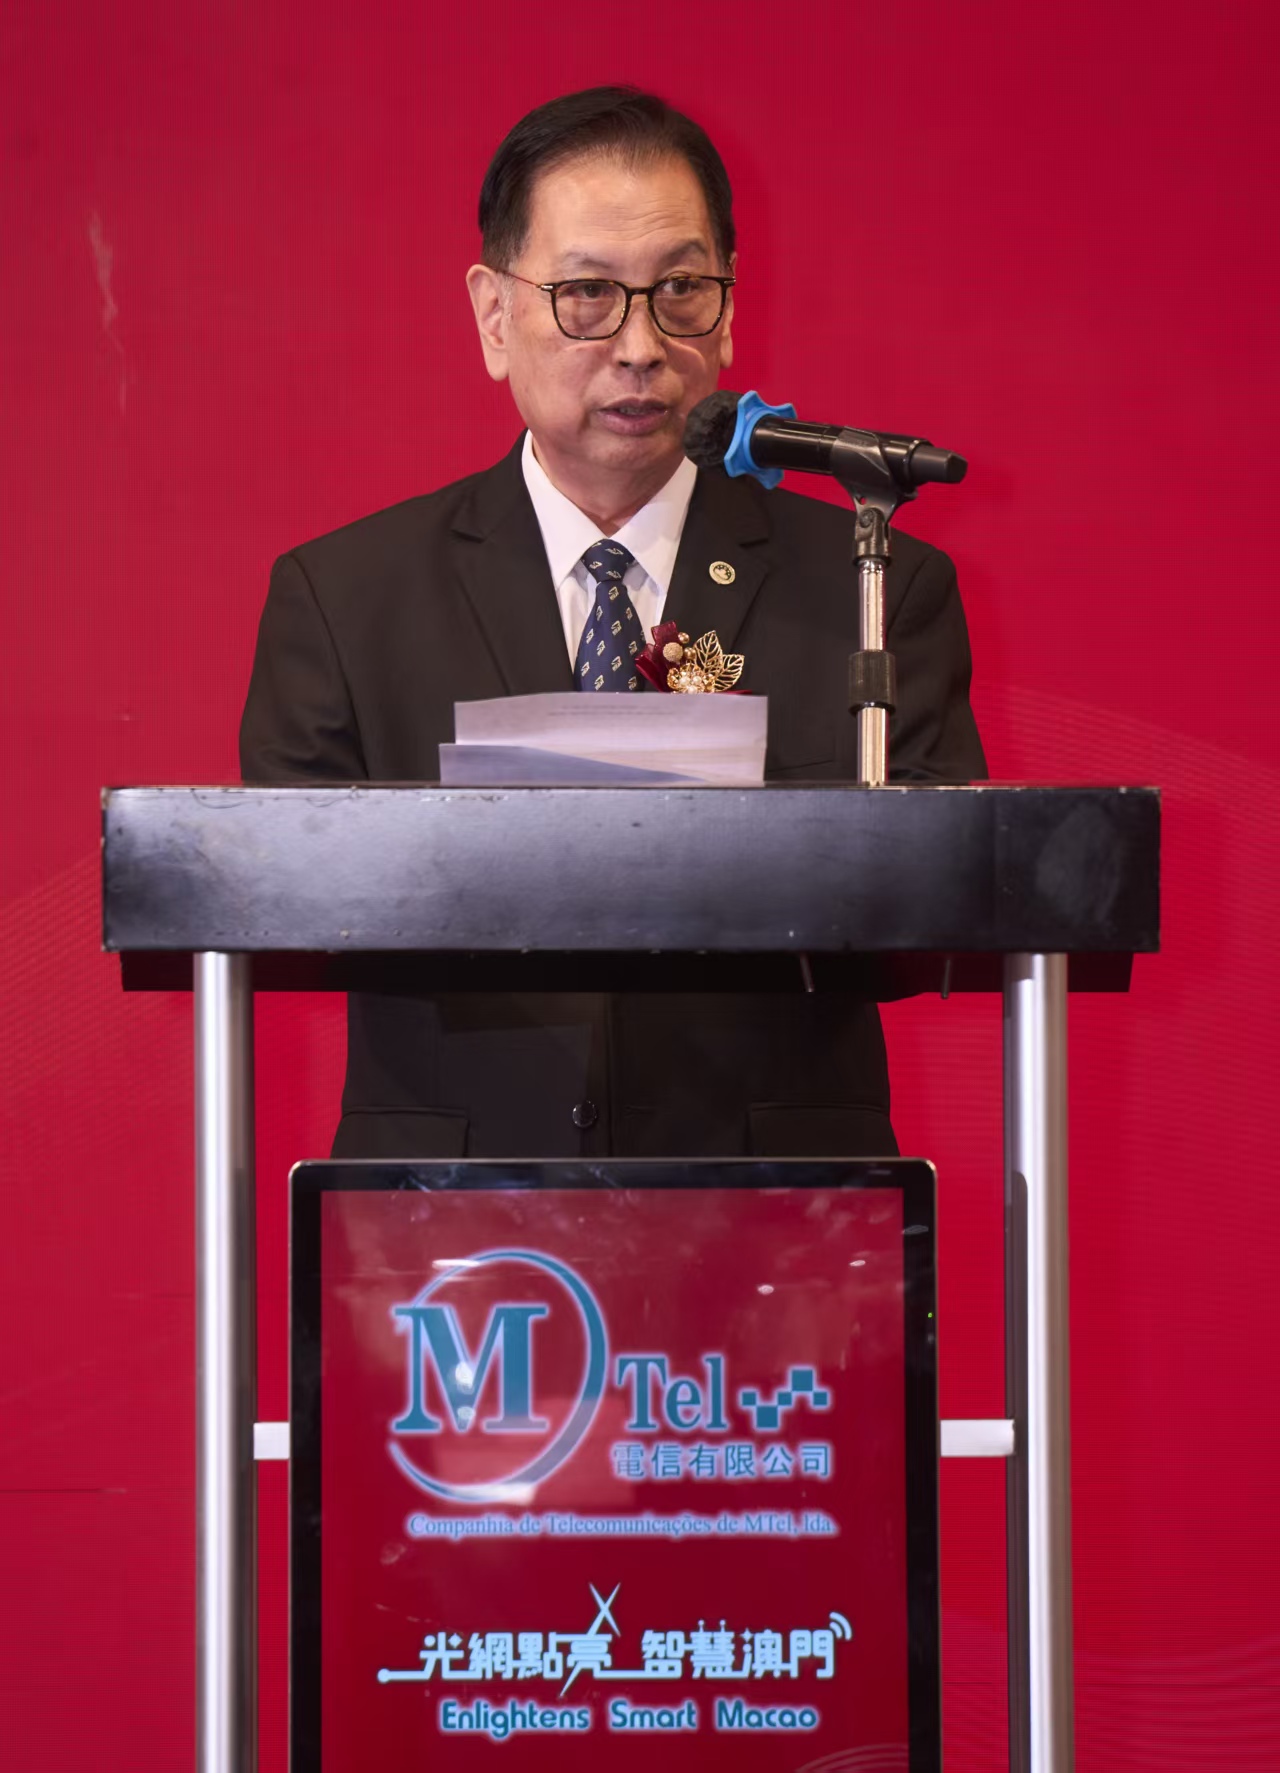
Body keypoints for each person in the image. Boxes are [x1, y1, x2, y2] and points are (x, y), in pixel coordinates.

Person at [240, 86, 986, 1161]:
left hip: (779, 1201)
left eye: (679, 290)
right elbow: (285, 901)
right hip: (449, 1208)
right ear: (494, 317)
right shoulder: (345, 598)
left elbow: (942, 913)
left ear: (727, 310)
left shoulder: (872, 588)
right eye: (587, 294)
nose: (640, 345)